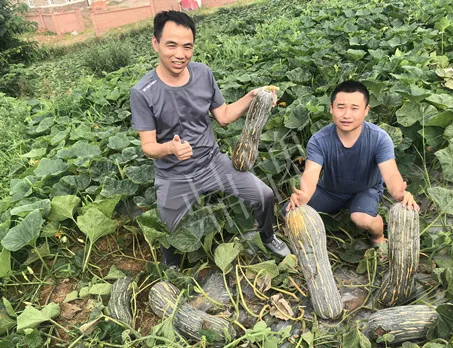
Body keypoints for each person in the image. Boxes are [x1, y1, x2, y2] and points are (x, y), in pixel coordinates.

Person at [130, 10, 290, 267]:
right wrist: (170, 148)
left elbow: (224, 116)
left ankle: (268, 236)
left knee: (265, 195)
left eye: (187, 46)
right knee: (169, 233)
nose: (180, 54)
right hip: (175, 175)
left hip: (213, 162)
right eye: (171, 45)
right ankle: (172, 268)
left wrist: (251, 97)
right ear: (155, 43)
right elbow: (148, 146)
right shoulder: (142, 92)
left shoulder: (203, 73)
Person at [285, 80, 419, 246]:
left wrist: (399, 193)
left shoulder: (379, 138)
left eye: (354, 108)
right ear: (331, 109)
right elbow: (311, 172)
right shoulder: (319, 140)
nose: (346, 115)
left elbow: (390, 173)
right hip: (330, 191)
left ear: (366, 111)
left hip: (365, 190)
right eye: (340, 107)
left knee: (362, 219)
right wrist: (304, 194)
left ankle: (378, 237)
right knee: (289, 213)